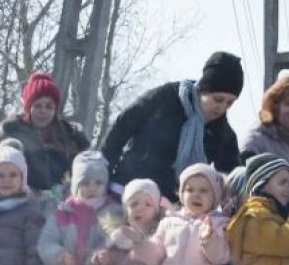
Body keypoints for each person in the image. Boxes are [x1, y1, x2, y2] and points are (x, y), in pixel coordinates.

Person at [101, 52, 243, 201]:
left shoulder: (221, 132)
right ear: (204, 90)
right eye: (218, 99)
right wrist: (105, 172)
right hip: (128, 191)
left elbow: (233, 174)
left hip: (171, 207)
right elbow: (122, 126)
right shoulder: (165, 98)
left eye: (229, 103)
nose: (221, 108)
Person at [0, 72, 90, 197]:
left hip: (57, 201)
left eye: (49, 107)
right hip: (17, 199)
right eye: (37, 106)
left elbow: (85, 170)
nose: (43, 111)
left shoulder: (69, 135)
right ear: (28, 108)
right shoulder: (11, 130)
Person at [37, 150, 111, 265]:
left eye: (98, 183)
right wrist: (59, 255)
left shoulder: (110, 214)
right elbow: (45, 242)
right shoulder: (62, 213)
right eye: (85, 183)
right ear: (75, 185)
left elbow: (112, 241)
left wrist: (102, 256)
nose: (92, 188)